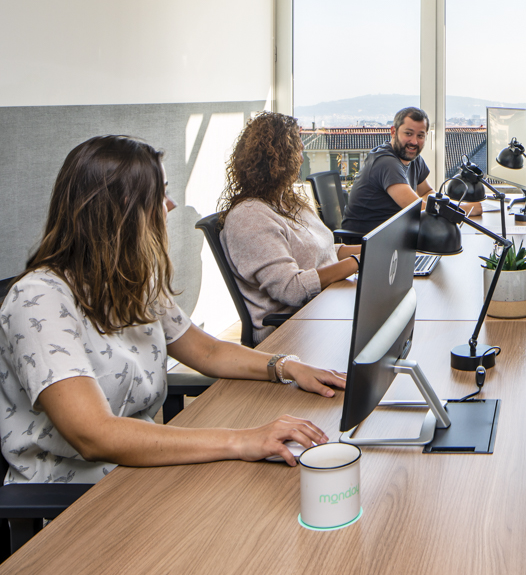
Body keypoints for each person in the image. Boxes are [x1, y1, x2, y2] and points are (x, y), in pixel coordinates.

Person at [0, 136, 346, 484]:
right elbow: (94, 435)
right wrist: (240, 439)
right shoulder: (39, 300)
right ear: (120, 206)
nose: (170, 205)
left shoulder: (131, 281)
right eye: (159, 194)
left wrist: (286, 366)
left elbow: (207, 350)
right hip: (76, 498)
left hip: (142, 469)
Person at [219, 112, 361, 345]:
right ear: (277, 157)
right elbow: (292, 289)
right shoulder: (249, 216)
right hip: (289, 334)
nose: (302, 153)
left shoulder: (287, 200)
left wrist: (369, 250)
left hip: (322, 311)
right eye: (296, 144)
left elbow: (321, 252)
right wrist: (356, 264)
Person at [341, 107, 480, 235]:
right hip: (366, 244)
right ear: (393, 132)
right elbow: (417, 207)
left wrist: (449, 206)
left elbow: (426, 192)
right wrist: (465, 209)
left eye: (420, 136)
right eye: (408, 133)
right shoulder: (386, 162)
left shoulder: (413, 158)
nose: (414, 142)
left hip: (395, 236)